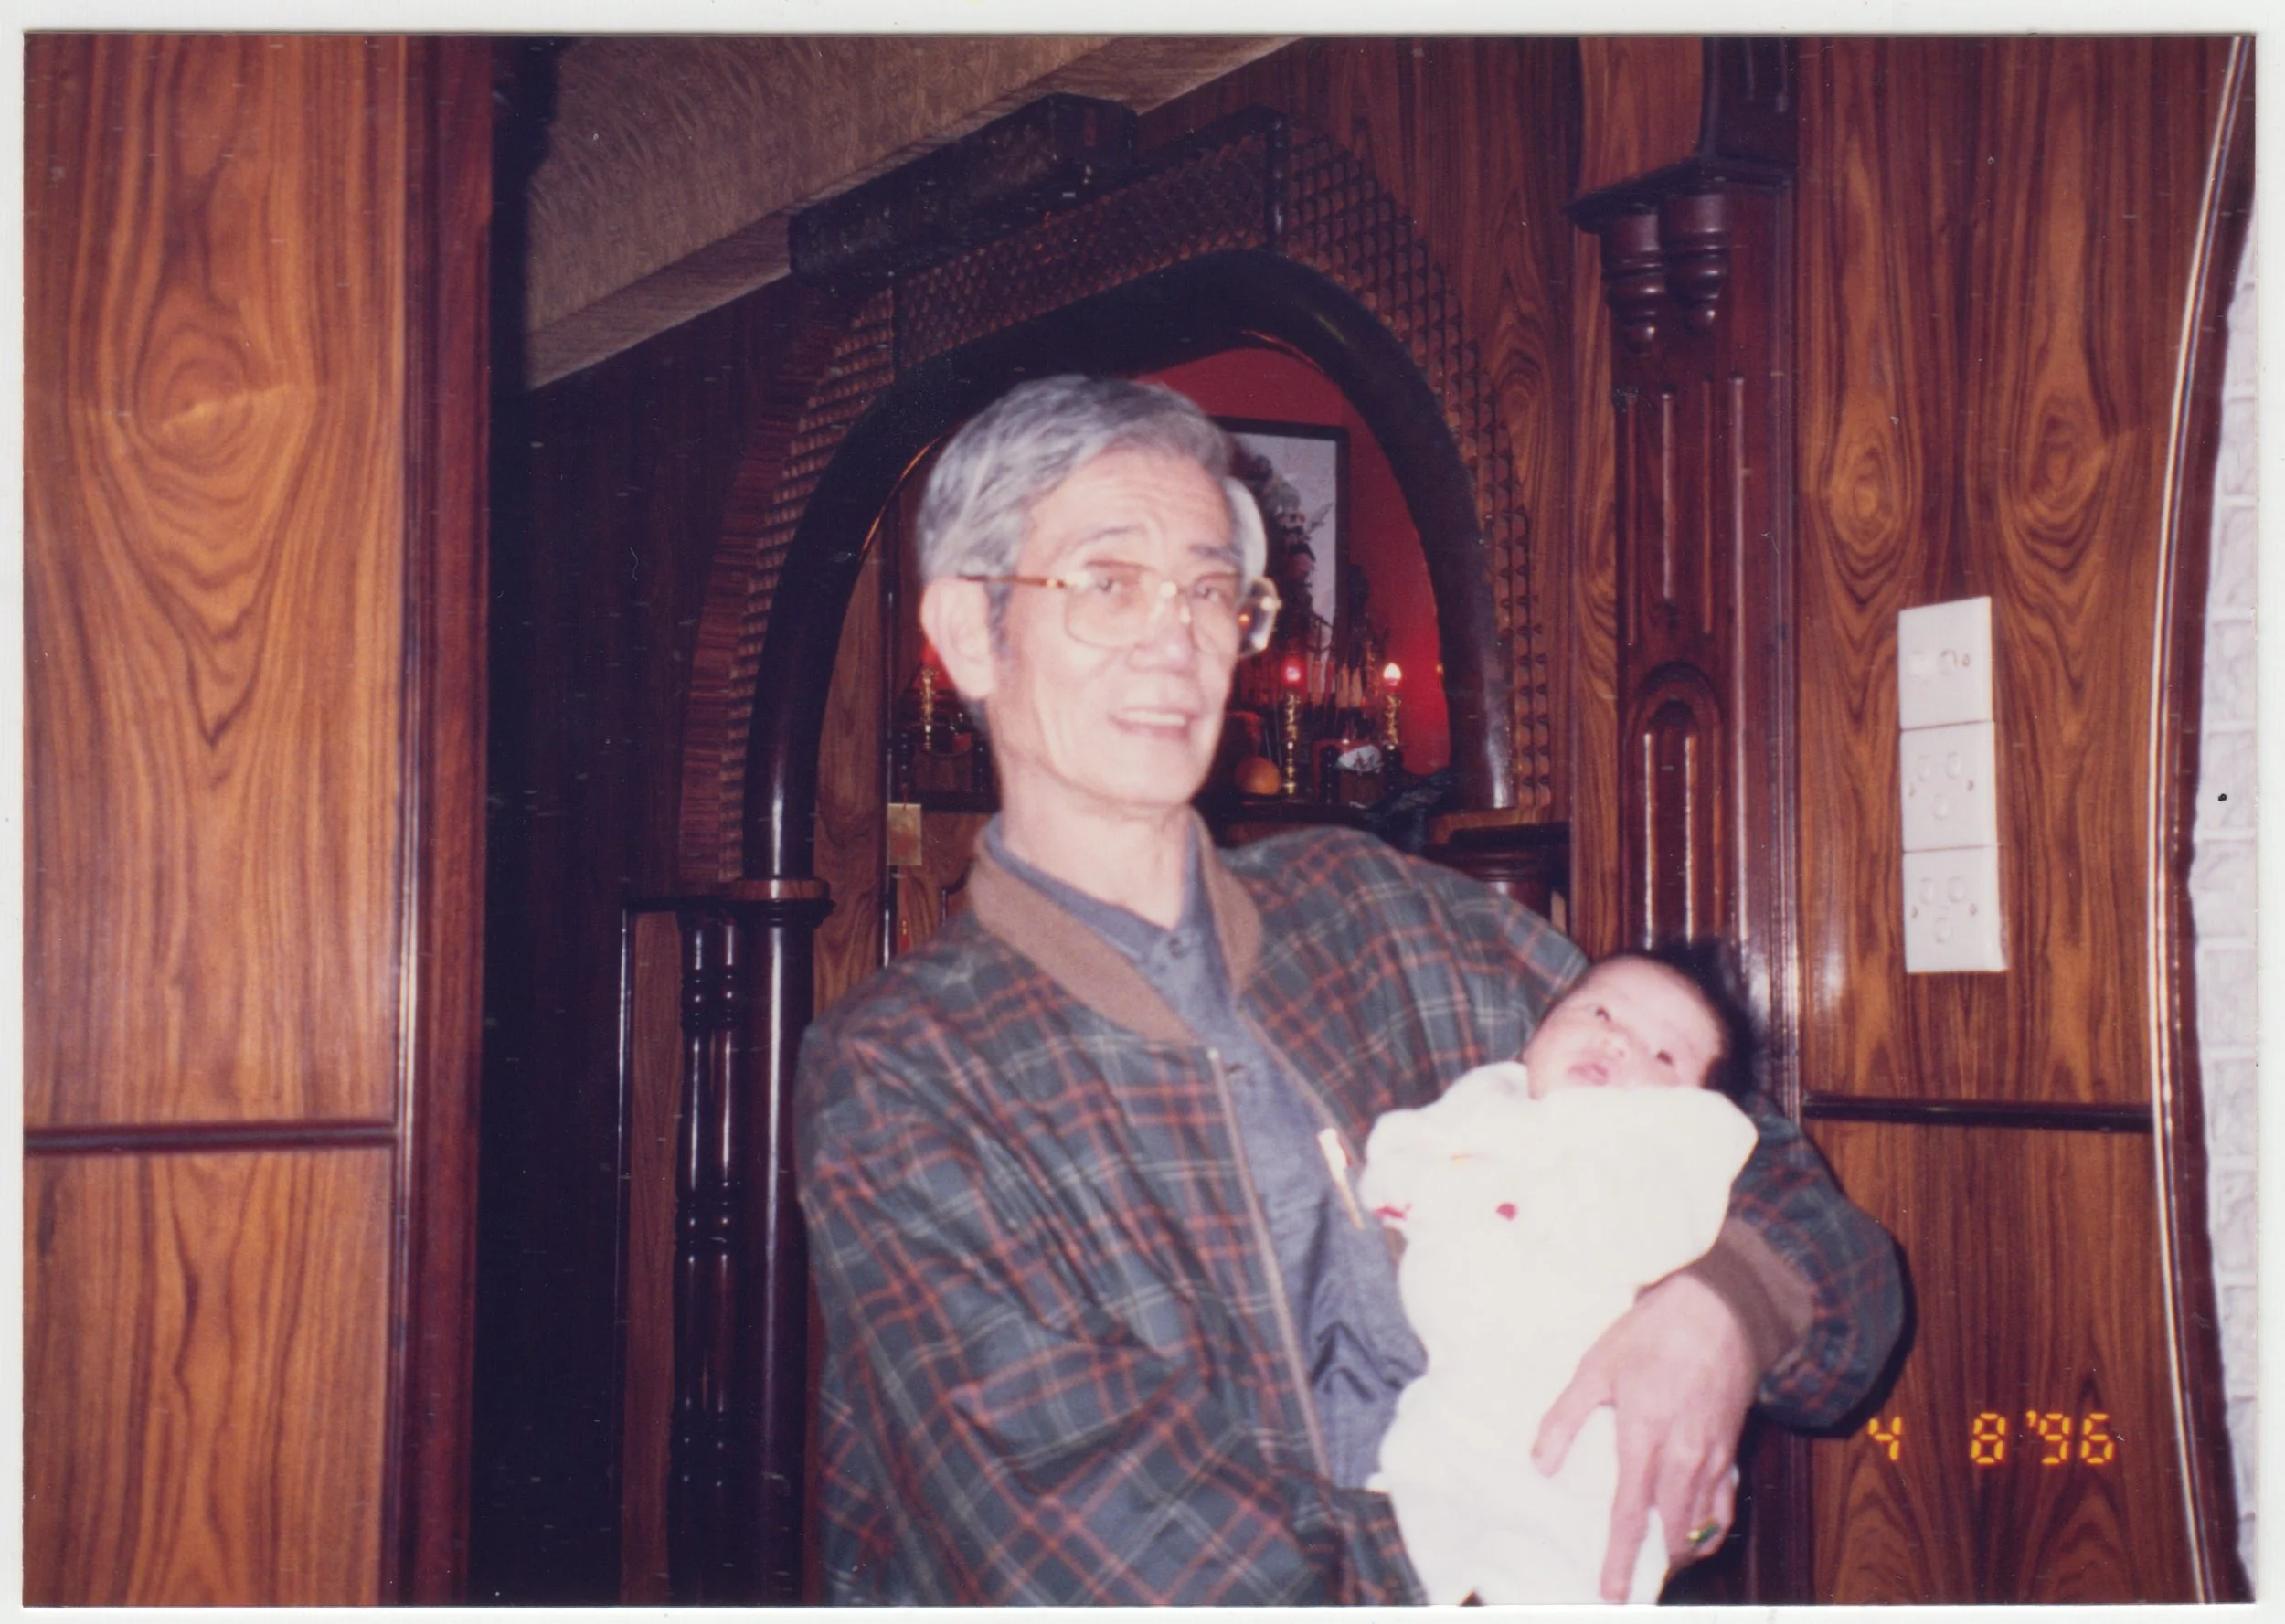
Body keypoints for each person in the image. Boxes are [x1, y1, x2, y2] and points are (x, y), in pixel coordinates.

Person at [794, 376, 1903, 1605]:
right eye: (1108, 583)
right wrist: (1541, 1552)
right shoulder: (904, 1071)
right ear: (966, 633)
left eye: (1213, 590)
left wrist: (1721, 1316)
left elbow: (1824, 1242)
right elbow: (1130, 1562)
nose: (1176, 638)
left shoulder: (1384, 915)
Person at [1359, 951, 1764, 1603]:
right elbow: (1402, 1146)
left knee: (1567, 1567)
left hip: (1594, 1425)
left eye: (1663, 1055)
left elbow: (1663, 1235)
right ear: (1539, 1028)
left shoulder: (1668, 1144)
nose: (1617, 1040)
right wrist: (1406, 1191)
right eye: (1600, 1010)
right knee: (1422, 1528)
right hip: (1457, 1401)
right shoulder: (1487, 1099)